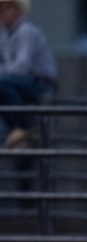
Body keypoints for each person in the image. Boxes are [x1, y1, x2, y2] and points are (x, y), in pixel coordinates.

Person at [0, 0, 57, 146]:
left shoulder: (26, 31)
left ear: (16, 11)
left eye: (5, 9)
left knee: (3, 84)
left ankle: (26, 127)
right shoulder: (5, 35)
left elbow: (21, 66)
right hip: (22, 82)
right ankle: (18, 129)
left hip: (41, 82)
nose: (2, 13)